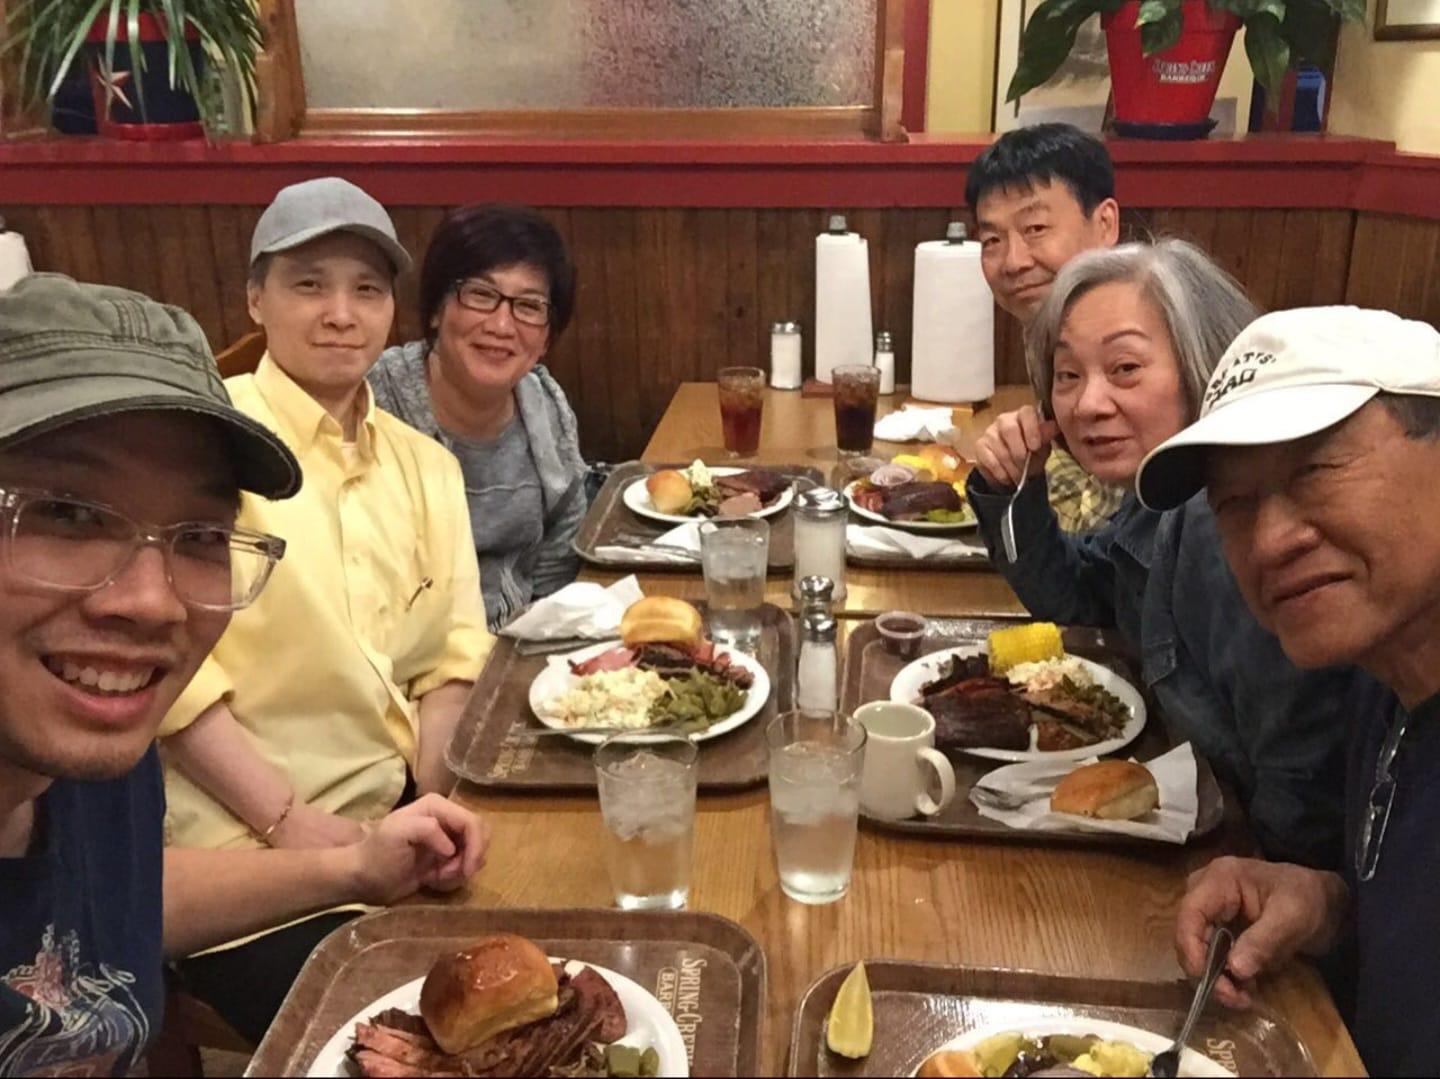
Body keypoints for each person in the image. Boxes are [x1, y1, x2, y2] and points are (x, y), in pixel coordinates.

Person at [0, 274, 488, 1076]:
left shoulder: (95, 763)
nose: (152, 601)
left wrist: (352, 866)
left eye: (198, 533)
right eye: (70, 514)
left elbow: (118, 898)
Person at [157, 178, 494, 1042]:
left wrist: (435, 806)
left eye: (366, 289)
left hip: (388, 829)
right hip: (240, 864)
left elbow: (451, 659)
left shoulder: (426, 465)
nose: (341, 314)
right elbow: (172, 674)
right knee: (419, 1047)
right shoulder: (205, 441)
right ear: (255, 298)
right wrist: (294, 824)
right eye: (309, 284)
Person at [965, 239, 1359, 869]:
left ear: (1207, 366)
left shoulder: (1216, 521)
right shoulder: (1159, 498)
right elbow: (1082, 601)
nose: (1088, 404)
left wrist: (1273, 888)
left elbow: (1301, 770)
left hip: (1258, 874)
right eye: (1068, 376)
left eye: (1125, 368)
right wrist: (1014, 489)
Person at [1139, 306, 1440, 1078]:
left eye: (1315, 469)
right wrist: (1328, 907)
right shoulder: (1382, 684)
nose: (1270, 541)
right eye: (1234, 504)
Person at [370, 203, 588, 631]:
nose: (502, 325)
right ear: (436, 310)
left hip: (520, 641)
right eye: (481, 295)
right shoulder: (372, 405)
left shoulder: (545, 406)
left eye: (529, 306)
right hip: (410, 654)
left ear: (547, 337)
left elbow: (559, 565)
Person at [967, 122, 1126, 533]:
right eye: (991, 240)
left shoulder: (1138, 337)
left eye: (1035, 229)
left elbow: (1104, 533)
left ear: (1105, 224)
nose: (1013, 262)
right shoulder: (1049, 327)